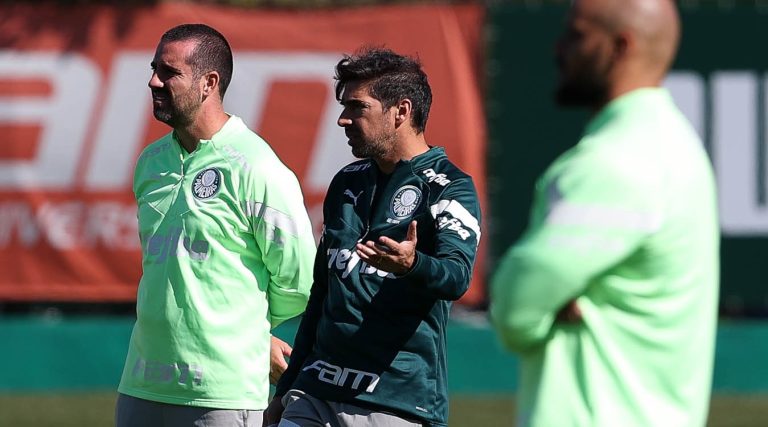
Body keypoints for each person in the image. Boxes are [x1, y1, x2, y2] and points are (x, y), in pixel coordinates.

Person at [489, 0, 719, 426]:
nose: (558, 48)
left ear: (620, 46)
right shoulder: (677, 146)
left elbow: (516, 301)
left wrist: (529, 311)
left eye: (576, 35)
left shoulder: (616, 161)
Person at [263, 47, 482, 427]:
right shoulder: (347, 182)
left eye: (357, 107)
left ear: (401, 111)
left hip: (394, 401)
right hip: (315, 393)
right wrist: (284, 393)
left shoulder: (451, 187)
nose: (343, 120)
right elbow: (322, 296)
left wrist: (412, 264)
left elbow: (457, 276)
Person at [115, 24, 316, 427]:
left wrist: (247, 333)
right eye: (154, 68)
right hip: (141, 384)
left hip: (221, 393)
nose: (153, 81)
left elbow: (299, 281)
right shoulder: (150, 163)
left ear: (209, 82)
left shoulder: (258, 167)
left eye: (169, 72)